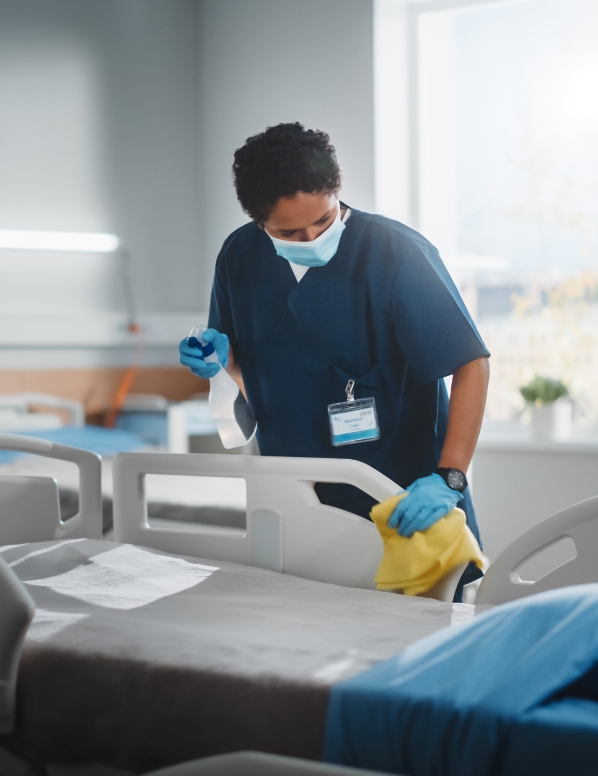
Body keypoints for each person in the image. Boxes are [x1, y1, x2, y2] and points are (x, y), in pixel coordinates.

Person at [179, 123, 490, 596]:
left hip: (402, 495)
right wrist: (218, 363)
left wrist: (449, 477)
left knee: (416, 636)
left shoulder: (396, 254)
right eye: (288, 231)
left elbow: (471, 363)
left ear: (337, 189)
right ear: (256, 220)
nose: (310, 239)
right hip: (296, 494)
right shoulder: (239, 257)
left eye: (323, 221)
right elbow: (250, 371)